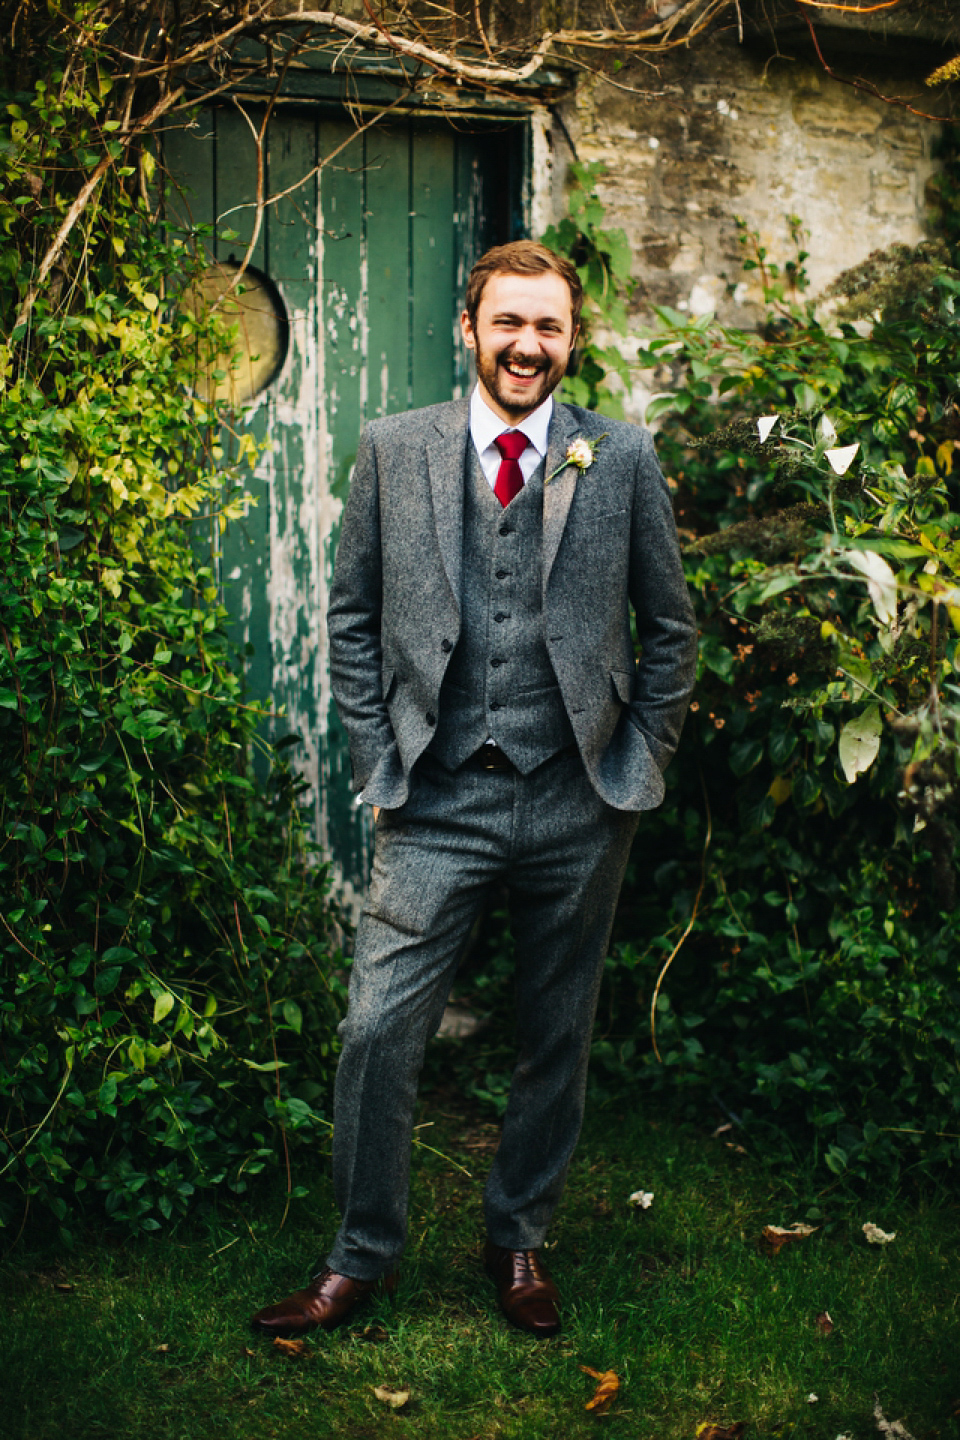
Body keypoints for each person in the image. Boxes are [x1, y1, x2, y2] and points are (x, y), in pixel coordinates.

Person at [251, 239, 697, 1341]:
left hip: (575, 800)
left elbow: (672, 631)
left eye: (548, 327)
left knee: (556, 1031)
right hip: (435, 801)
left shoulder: (622, 457)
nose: (527, 346)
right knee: (375, 1029)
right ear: (471, 327)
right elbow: (351, 618)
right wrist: (380, 760)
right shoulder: (393, 451)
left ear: (572, 339)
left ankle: (518, 1240)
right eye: (509, 323)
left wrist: (636, 760)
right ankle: (359, 1255)